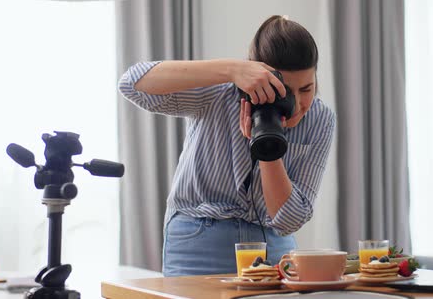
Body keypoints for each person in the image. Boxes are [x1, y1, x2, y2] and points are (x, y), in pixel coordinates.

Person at [119, 15, 336, 276]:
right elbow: (132, 84)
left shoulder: (320, 119)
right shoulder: (219, 93)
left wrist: (267, 145)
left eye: (307, 89)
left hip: (273, 249)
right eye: (285, 91)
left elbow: (289, 219)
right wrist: (232, 70)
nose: (298, 104)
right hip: (197, 242)